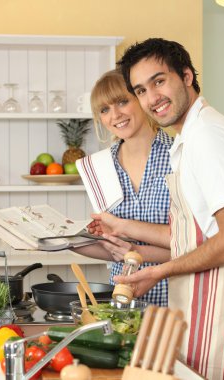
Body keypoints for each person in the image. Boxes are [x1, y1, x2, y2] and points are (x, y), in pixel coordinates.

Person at [89, 38, 224, 380]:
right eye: (141, 89)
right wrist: (126, 239)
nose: (152, 98)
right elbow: (192, 236)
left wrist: (158, 272)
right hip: (199, 310)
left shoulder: (206, 137)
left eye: (159, 81)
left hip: (216, 312)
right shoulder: (191, 137)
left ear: (185, 76)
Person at [74, 68, 173, 306]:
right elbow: (114, 249)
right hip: (124, 302)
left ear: (141, 98)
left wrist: (135, 249)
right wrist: (63, 241)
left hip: (179, 300)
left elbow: (198, 245)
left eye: (122, 101)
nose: (115, 115)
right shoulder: (96, 167)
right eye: (104, 109)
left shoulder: (180, 155)